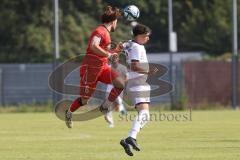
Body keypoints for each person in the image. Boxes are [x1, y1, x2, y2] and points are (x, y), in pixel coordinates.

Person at [65, 6, 125, 128]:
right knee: (84, 100)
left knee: (120, 83)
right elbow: (93, 46)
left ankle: (105, 106)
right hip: (90, 70)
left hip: (102, 68)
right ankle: (69, 112)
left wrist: (116, 51)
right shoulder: (100, 31)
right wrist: (109, 54)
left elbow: (103, 52)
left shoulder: (106, 33)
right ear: (113, 21)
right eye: (117, 21)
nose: (116, 24)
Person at [120, 24, 158, 156]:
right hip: (137, 82)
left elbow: (122, 45)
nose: (148, 38)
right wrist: (148, 70)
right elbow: (134, 66)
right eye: (146, 36)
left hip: (135, 82)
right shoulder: (137, 47)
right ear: (139, 36)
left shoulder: (131, 44)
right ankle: (131, 137)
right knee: (144, 113)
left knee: (145, 116)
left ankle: (128, 139)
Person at [104, 56, 128, 128]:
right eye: (113, 59)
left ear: (118, 59)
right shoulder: (108, 67)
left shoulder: (123, 68)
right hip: (109, 87)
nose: (114, 60)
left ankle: (121, 108)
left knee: (118, 103)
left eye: (115, 58)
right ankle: (111, 123)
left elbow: (126, 77)